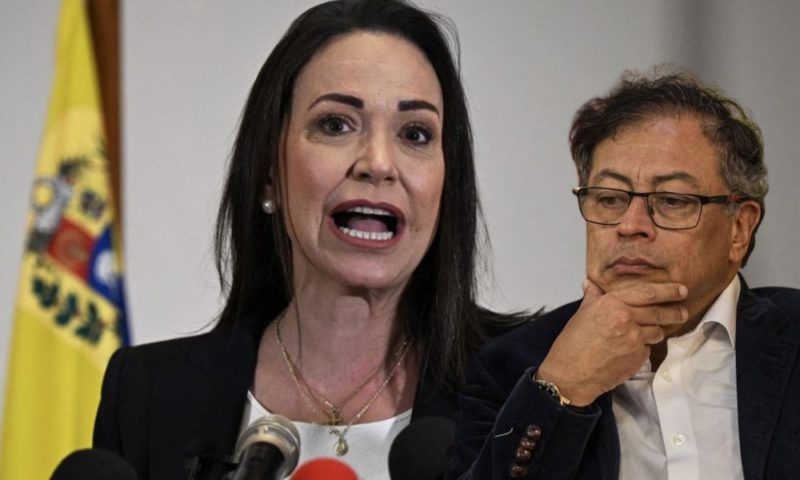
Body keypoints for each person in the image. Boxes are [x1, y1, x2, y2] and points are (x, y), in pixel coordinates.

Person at [93, 1, 514, 478]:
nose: (378, 163)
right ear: (269, 174)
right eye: (336, 125)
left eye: (415, 134)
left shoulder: (519, 388)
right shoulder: (148, 394)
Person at [448, 67, 800, 479]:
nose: (631, 225)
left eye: (671, 200)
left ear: (739, 228)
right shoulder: (512, 368)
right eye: (610, 198)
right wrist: (562, 387)